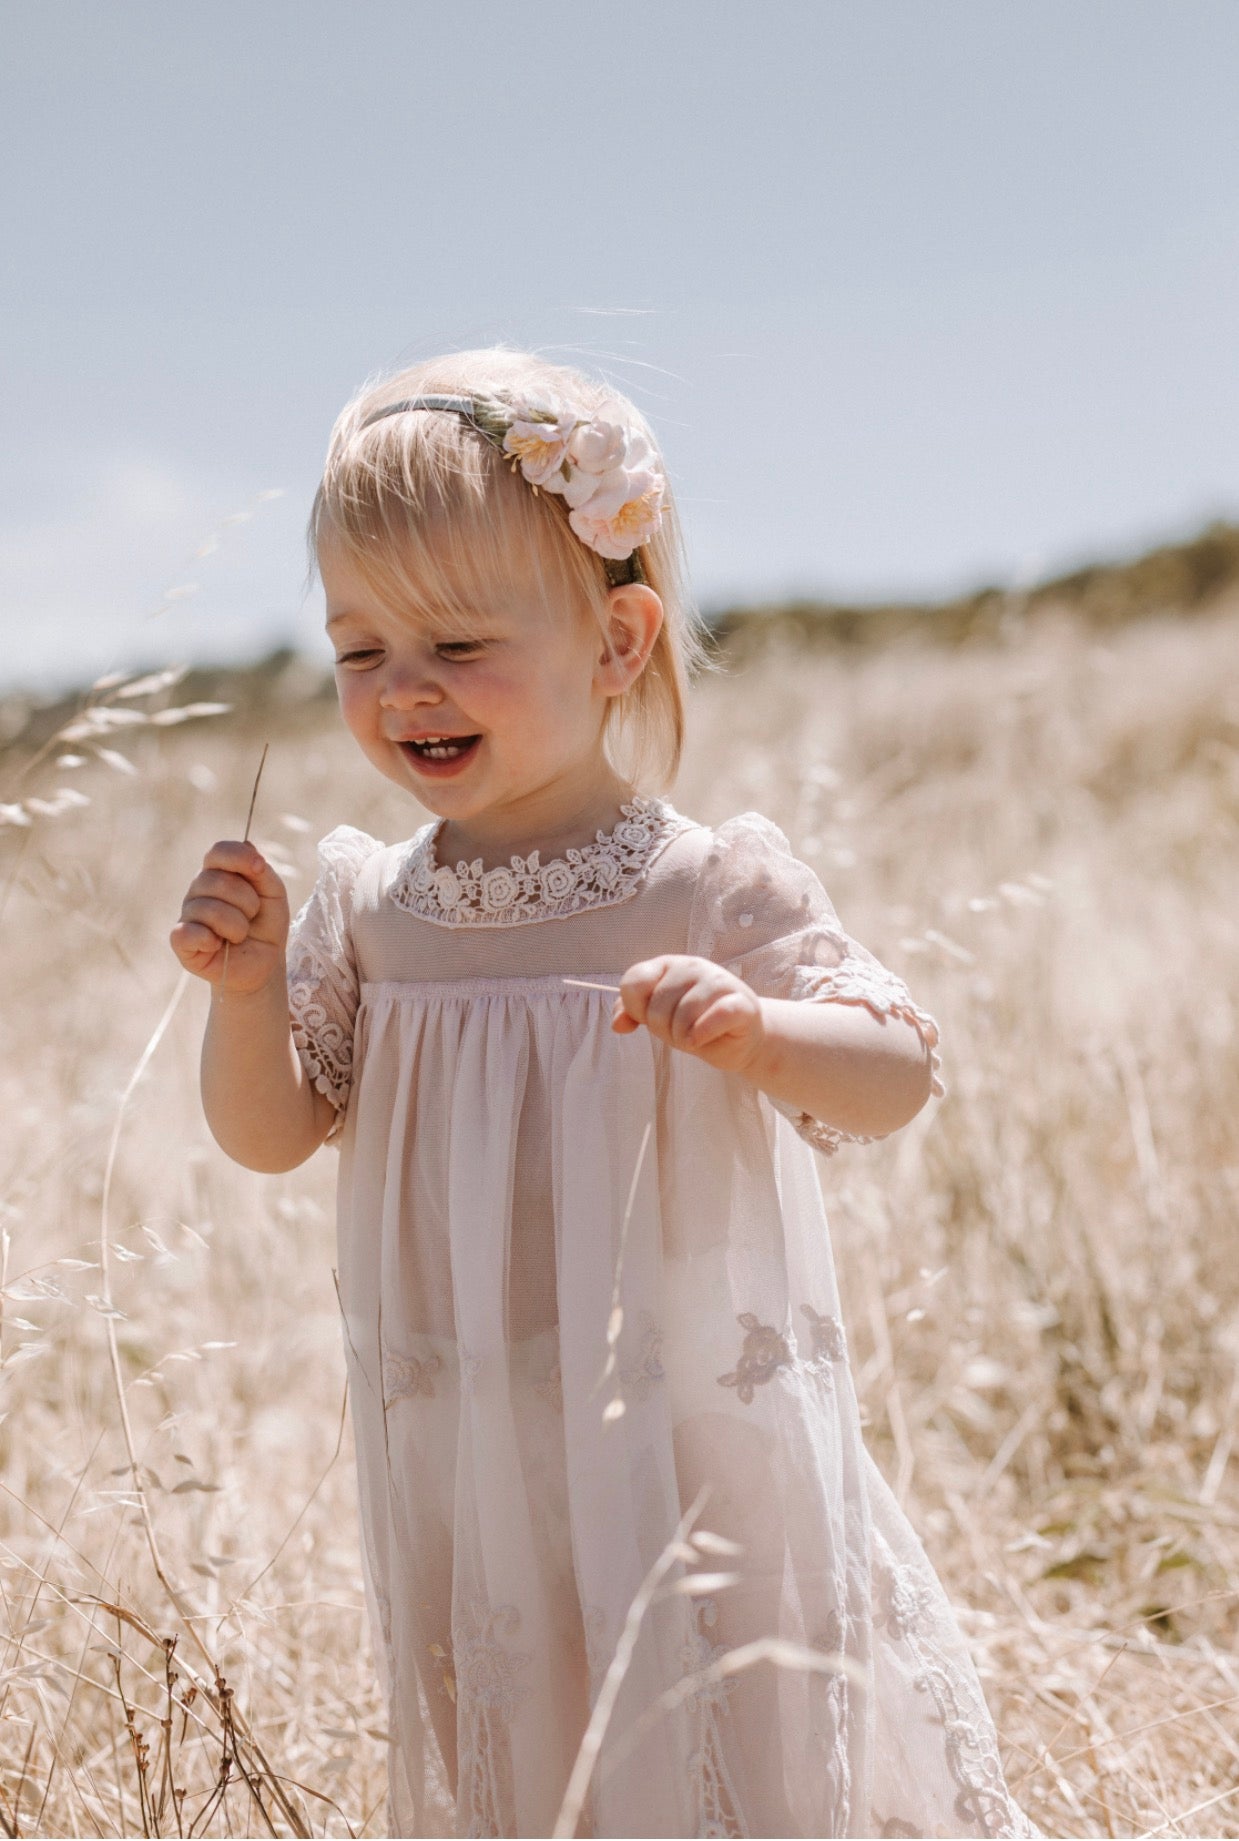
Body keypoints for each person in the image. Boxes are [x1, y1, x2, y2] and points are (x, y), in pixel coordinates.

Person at [170, 349, 1033, 1839]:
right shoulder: (371, 906)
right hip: (474, 1448)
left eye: (455, 640)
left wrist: (762, 1030)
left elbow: (896, 1075)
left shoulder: (702, 883)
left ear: (619, 641)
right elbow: (269, 1135)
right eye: (359, 648)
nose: (405, 690)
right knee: (532, 1744)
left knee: (729, 1729)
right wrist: (245, 996)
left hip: (687, 1428)